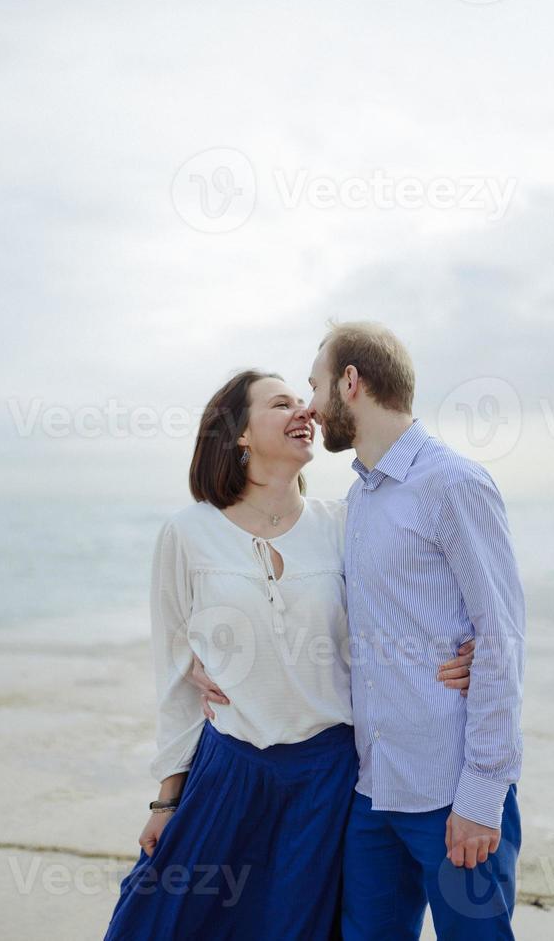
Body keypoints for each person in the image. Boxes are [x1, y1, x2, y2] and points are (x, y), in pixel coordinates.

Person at [102, 368, 476, 941]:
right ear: (240, 435)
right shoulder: (187, 533)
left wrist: (470, 650)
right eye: (282, 404)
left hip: (330, 777)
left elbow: (409, 610)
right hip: (230, 770)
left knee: (297, 927)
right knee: (159, 923)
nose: (305, 411)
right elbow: (175, 677)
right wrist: (165, 799)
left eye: (305, 400)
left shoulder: (345, 523)